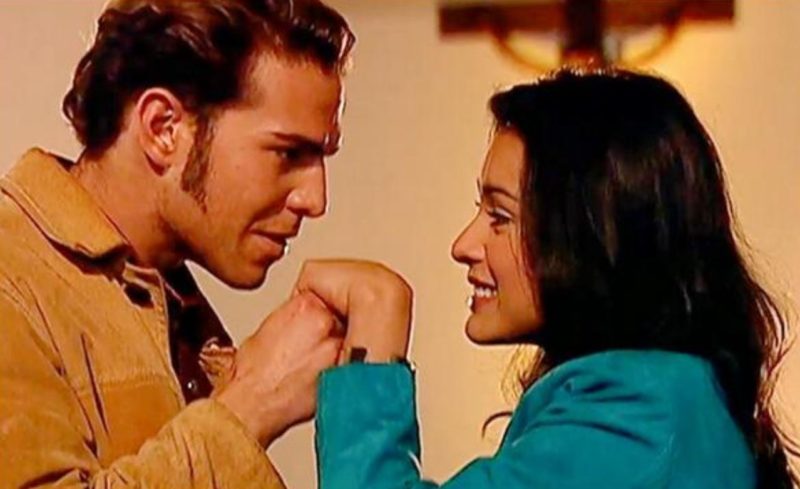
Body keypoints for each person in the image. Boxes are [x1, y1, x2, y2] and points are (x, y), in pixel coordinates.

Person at [297, 68, 795, 488]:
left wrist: (375, 327)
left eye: (500, 217)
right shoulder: (661, 401)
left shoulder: (641, 417)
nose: (463, 245)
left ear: (592, 235)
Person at [0, 0, 354, 487]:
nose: (315, 199)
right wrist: (252, 405)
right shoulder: (12, 279)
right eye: (288, 153)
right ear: (163, 128)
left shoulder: (172, 304)